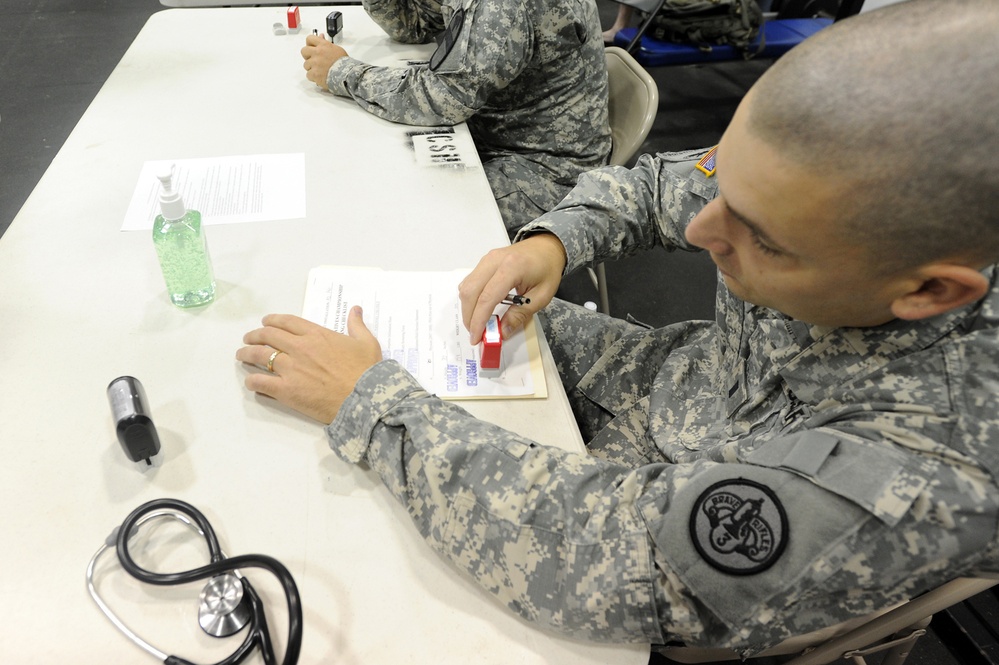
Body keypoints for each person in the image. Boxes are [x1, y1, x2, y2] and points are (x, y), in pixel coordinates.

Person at [238, 0, 999, 653]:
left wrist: (370, 405)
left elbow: (593, 557)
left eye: (761, 238)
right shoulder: (820, 199)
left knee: (350, 552)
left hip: (633, 542)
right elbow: (662, 185)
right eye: (724, 184)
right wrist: (554, 240)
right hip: (659, 383)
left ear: (929, 290)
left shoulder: (922, 468)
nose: (703, 231)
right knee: (425, 303)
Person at [301, 0, 613, 236]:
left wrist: (342, 73)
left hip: (545, 170)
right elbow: (414, 25)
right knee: (375, 170)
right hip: (496, 131)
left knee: (402, 217)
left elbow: (445, 97)